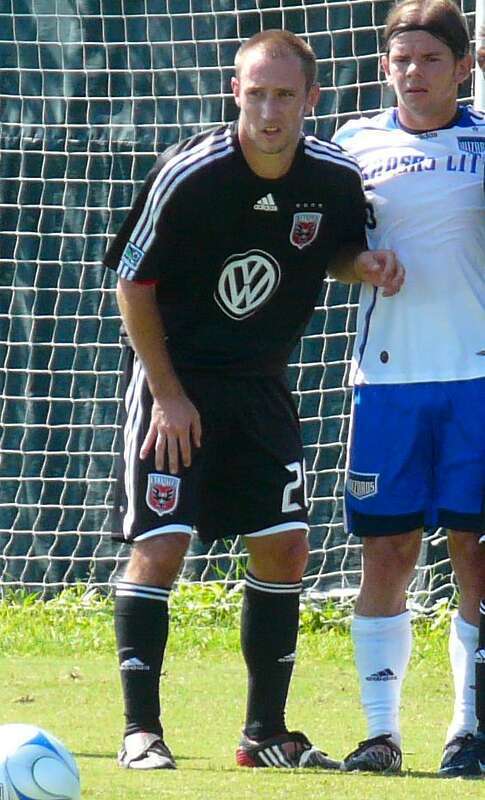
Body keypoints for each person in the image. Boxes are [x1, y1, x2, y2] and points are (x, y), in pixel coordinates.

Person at [102, 29, 402, 771]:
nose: (268, 110)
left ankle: (262, 732)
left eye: (284, 95)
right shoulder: (192, 174)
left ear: (311, 99)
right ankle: (142, 732)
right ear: (234, 92)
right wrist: (168, 397)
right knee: (162, 547)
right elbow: (132, 286)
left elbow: (329, 252)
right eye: (255, 92)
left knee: (286, 546)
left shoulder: (332, 179)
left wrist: (358, 263)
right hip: (177, 381)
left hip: (261, 385)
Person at [330, 0, 485, 777]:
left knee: (475, 550)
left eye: (431, 59)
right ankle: (380, 735)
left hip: (477, 381)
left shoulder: (484, 144)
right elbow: (322, 246)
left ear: (464, 66)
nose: (413, 73)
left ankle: (468, 731)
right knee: (386, 552)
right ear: (383, 66)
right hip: (385, 385)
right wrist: (355, 264)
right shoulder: (349, 146)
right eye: (401, 60)